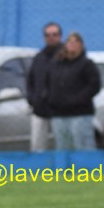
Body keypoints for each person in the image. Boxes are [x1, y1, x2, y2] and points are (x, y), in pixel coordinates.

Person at [46, 32, 101, 151]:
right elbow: (48, 82)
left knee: (82, 147)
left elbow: (94, 86)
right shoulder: (56, 64)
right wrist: (50, 99)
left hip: (80, 114)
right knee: (63, 148)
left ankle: (86, 164)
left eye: (76, 42)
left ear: (81, 45)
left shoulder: (87, 64)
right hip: (59, 113)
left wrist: (77, 99)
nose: (72, 44)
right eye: (70, 41)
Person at [26, 22, 63, 152]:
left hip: (60, 110)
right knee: (37, 146)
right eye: (47, 35)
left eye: (54, 34)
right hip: (39, 109)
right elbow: (30, 81)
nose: (51, 37)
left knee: (62, 145)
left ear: (60, 36)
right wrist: (32, 99)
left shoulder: (66, 57)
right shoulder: (39, 58)